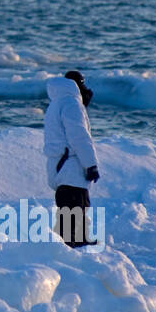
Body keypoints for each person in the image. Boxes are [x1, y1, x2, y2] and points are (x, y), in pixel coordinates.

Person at [44, 70, 100, 248]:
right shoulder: (71, 104)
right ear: (77, 85)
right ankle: (75, 249)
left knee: (68, 211)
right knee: (76, 207)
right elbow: (79, 137)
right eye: (82, 84)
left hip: (60, 168)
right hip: (71, 169)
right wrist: (90, 165)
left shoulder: (56, 103)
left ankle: (71, 244)